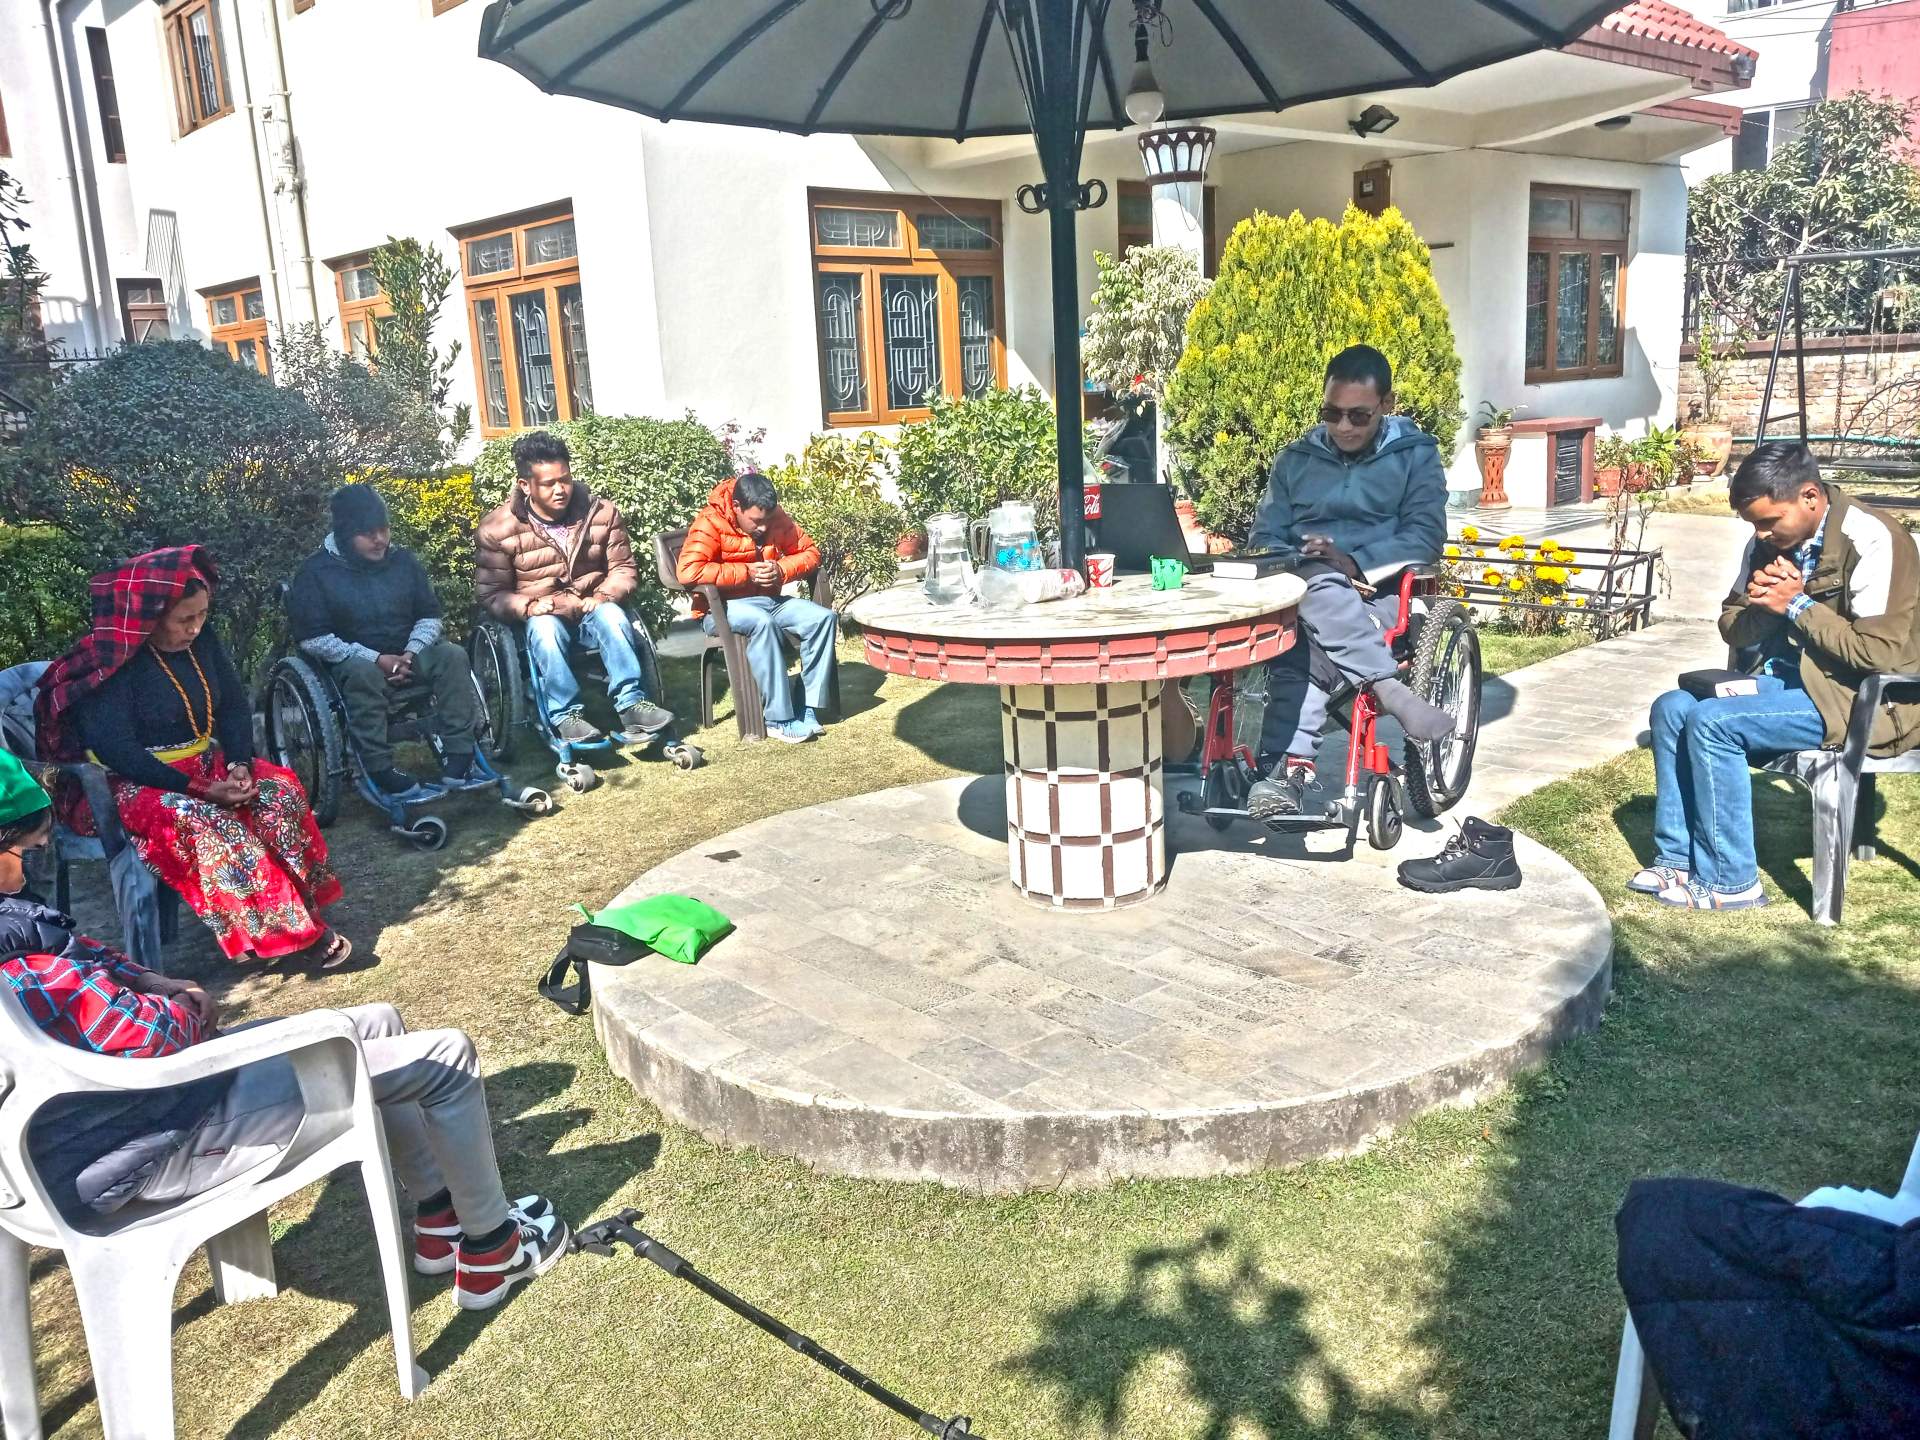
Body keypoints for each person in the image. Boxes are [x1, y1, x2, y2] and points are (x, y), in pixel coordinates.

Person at [0, 750, 569, 1309]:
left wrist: (153, 979)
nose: (41, 855)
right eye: (28, 848)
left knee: (379, 1022)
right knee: (446, 1055)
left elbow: (85, 957)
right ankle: (494, 1250)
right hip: (146, 1142)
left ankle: (440, 1220)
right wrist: (187, 1005)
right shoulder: (18, 969)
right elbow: (151, 1036)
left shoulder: (16, 928)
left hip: (130, 1114)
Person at [1635, 441, 1920, 910]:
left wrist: (1797, 605)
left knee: (1713, 722)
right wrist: (1768, 611)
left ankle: (1733, 884)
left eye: (1770, 521)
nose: (1762, 534)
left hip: (1864, 700)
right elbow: (1732, 624)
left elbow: (1879, 654)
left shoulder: (1872, 539)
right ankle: (1677, 860)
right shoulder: (1766, 543)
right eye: (1754, 524)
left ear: (1810, 497)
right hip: (1786, 684)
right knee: (1673, 708)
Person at [35, 546, 352, 968]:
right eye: (185, 619)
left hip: (206, 765)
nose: (196, 627)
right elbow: (118, 751)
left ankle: (298, 905)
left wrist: (239, 764)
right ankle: (290, 934)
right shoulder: (109, 661)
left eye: (202, 615)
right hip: (128, 785)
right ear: (148, 619)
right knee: (207, 820)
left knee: (277, 792)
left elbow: (234, 707)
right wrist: (203, 789)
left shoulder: (203, 643)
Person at [1243, 345, 1456, 820]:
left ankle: (1286, 771)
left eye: (1358, 416)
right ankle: (1389, 691)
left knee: (1300, 641)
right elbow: (1265, 536)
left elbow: (1425, 539)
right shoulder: (1295, 459)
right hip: (1297, 585)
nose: (1343, 427)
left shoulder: (1415, 457)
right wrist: (1299, 559)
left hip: (1375, 596)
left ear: (1388, 404)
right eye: (1331, 413)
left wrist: (1354, 564)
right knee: (1316, 583)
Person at [288, 483, 487, 799]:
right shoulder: (315, 573)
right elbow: (314, 638)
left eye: (384, 530)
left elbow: (429, 616)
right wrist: (374, 658)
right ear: (345, 533)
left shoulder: (403, 562)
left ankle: (460, 752)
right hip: (352, 665)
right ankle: (380, 767)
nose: (380, 539)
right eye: (369, 533)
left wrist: (410, 652)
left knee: (451, 655)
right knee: (362, 673)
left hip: (409, 654)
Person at [474, 431, 674, 745]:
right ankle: (566, 715)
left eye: (565, 480)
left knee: (613, 616)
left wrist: (604, 595)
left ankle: (632, 703)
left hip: (591, 607)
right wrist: (527, 607)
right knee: (544, 629)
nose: (560, 490)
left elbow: (622, 569)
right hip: (544, 613)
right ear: (525, 485)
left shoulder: (601, 513)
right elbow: (491, 593)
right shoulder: (497, 529)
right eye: (549, 483)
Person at [676, 471, 835, 744]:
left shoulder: (773, 516)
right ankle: (778, 719)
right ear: (736, 507)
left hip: (769, 601)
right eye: (756, 522)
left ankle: (806, 705)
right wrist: (746, 572)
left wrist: (781, 570)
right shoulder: (710, 522)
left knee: (824, 618)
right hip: (721, 609)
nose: (762, 528)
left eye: (767, 521)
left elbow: (810, 552)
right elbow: (688, 571)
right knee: (762, 623)